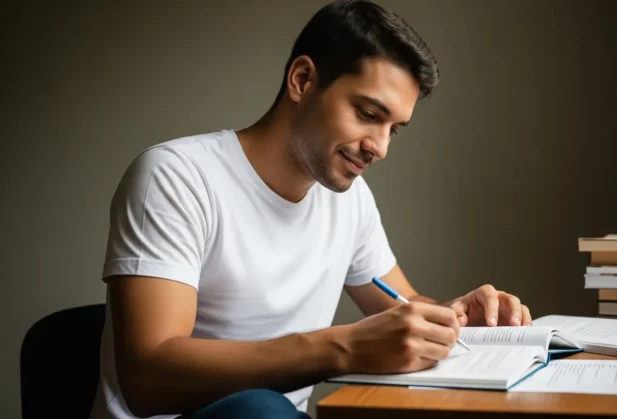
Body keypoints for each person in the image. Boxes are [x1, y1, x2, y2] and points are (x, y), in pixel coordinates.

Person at [90, 1, 532, 418]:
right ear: (302, 80)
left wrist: (455, 316)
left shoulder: (349, 199)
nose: (379, 147)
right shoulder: (177, 177)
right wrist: (342, 347)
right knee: (258, 410)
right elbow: (146, 379)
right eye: (367, 113)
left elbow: (402, 302)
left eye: (394, 129)